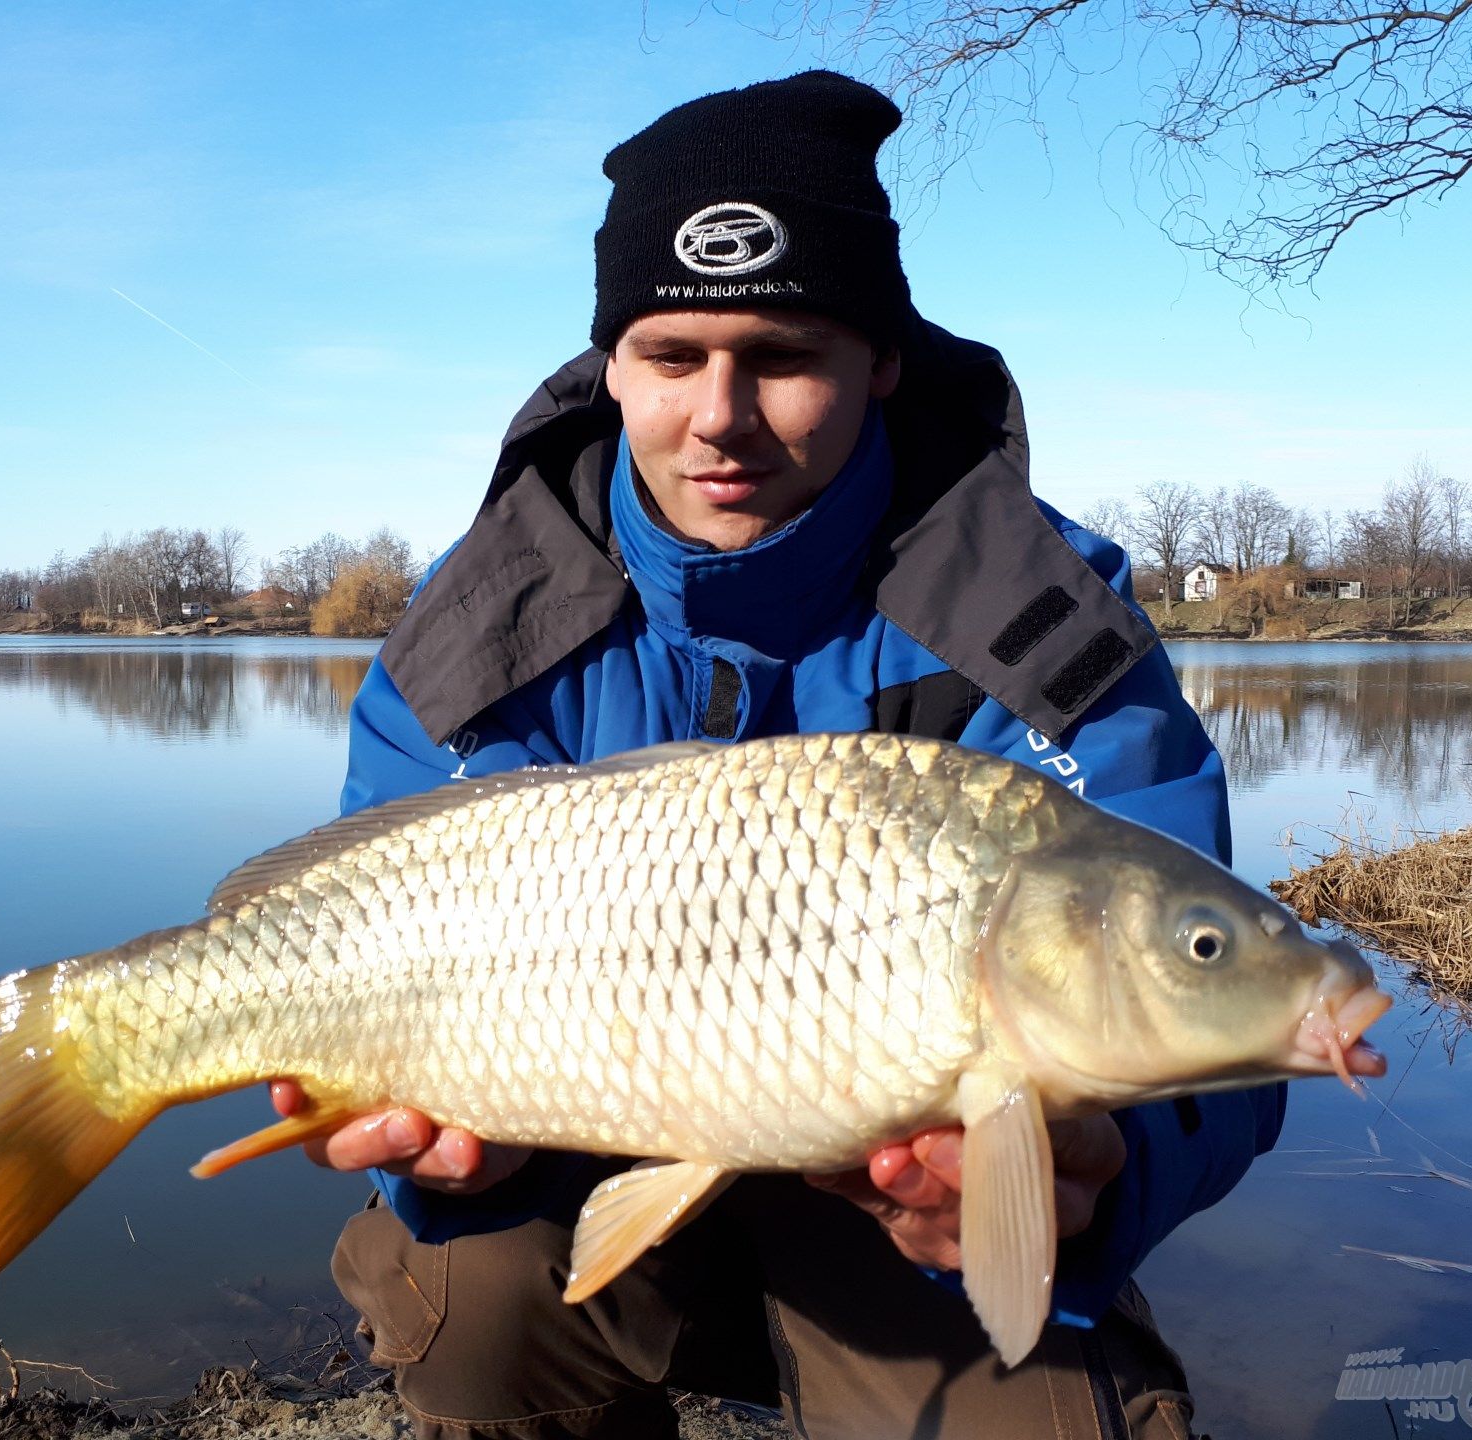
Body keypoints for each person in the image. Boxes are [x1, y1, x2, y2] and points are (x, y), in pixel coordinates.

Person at [270, 70, 1279, 1439]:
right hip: (589, 1170)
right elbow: (374, 999)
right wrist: (443, 1160)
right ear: (610, 366)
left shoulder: (1039, 618)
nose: (720, 416)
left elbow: (1204, 999)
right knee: (480, 1303)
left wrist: (1114, 1159)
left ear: (881, 359)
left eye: (784, 355)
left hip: (906, 1199)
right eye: (673, 359)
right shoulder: (476, 635)